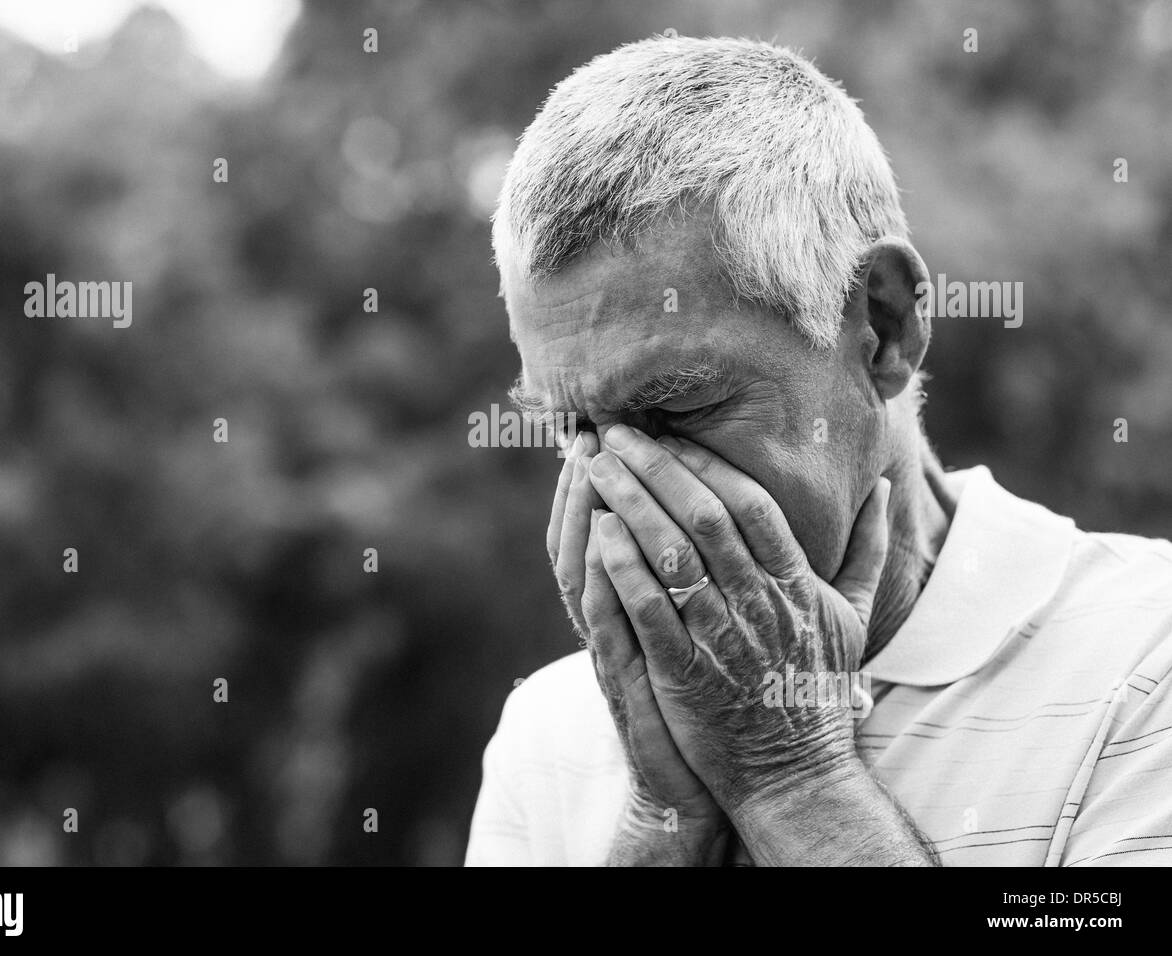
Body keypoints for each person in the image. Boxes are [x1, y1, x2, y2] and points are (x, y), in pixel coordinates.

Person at [465, 36, 1172, 866]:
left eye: (673, 410)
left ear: (883, 327)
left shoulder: (1144, 665)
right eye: (573, 429)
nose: (615, 498)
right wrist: (663, 821)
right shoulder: (546, 733)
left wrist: (788, 774)